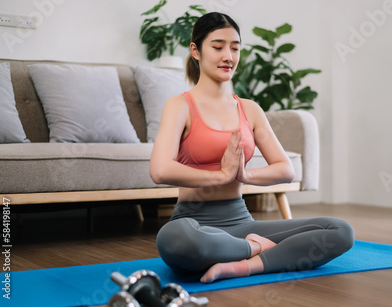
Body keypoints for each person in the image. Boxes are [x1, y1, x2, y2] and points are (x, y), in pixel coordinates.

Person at [150, 12, 354, 284]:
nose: (229, 56)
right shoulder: (179, 105)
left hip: (242, 223)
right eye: (218, 46)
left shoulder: (249, 109)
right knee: (174, 240)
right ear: (196, 51)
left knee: (340, 230)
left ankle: (245, 266)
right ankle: (255, 249)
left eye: (235, 48)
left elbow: (286, 169)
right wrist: (220, 176)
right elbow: (160, 170)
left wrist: (245, 176)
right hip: (194, 222)